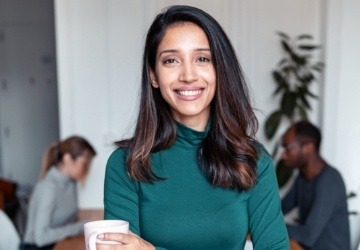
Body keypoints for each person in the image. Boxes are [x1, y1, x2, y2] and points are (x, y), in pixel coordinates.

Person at [101, 5, 289, 250]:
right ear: (154, 76)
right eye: (171, 60)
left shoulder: (252, 160)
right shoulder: (126, 164)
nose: (188, 75)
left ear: (220, 69)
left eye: (202, 59)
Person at [281, 120, 350, 250]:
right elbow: (279, 208)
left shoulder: (330, 181)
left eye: (288, 148)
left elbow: (308, 235)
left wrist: (266, 225)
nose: (283, 155)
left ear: (308, 147)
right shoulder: (302, 178)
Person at [21, 136, 96, 250]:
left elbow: (70, 219)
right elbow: (40, 238)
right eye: (85, 163)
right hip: (36, 247)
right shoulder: (48, 188)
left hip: (56, 243)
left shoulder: (71, 182)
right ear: (67, 159)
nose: (87, 169)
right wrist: (81, 226)